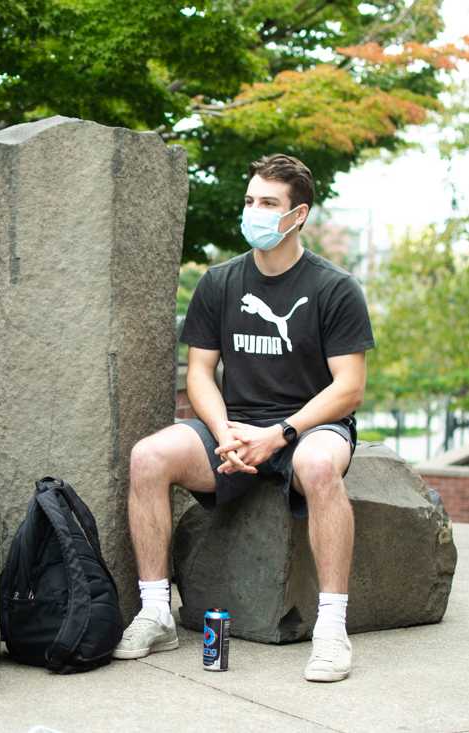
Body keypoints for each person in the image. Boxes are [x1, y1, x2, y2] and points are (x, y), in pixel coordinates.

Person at [113, 154, 375, 682]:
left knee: (322, 468)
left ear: (297, 215)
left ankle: (330, 629)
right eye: (250, 200)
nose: (254, 211)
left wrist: (280, 435)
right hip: (233, 427)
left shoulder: (334, 287)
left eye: (268, 203)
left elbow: (349, 388)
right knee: (148, 456)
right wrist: (223, 433)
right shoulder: (220, 282)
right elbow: (200, 374)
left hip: (309, 428)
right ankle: (155, 612)